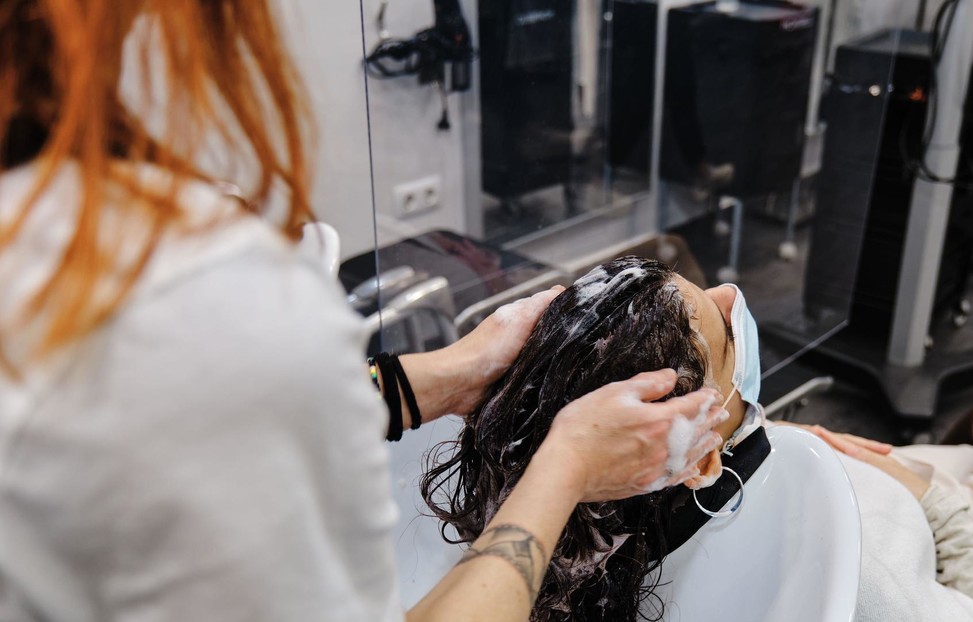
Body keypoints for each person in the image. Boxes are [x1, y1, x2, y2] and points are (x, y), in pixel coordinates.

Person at [0, 3, 726, 621]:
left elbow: (195, 415)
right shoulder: (187, 295)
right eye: (724, 329)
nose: (732, 296)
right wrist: (565, 468)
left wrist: (449, 373)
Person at [422, 255, 973, 622]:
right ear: (697, 457)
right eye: (721, 338)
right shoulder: (855, 558)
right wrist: (929, 496)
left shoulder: (539, 542)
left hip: (854, 497)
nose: (728, 294)